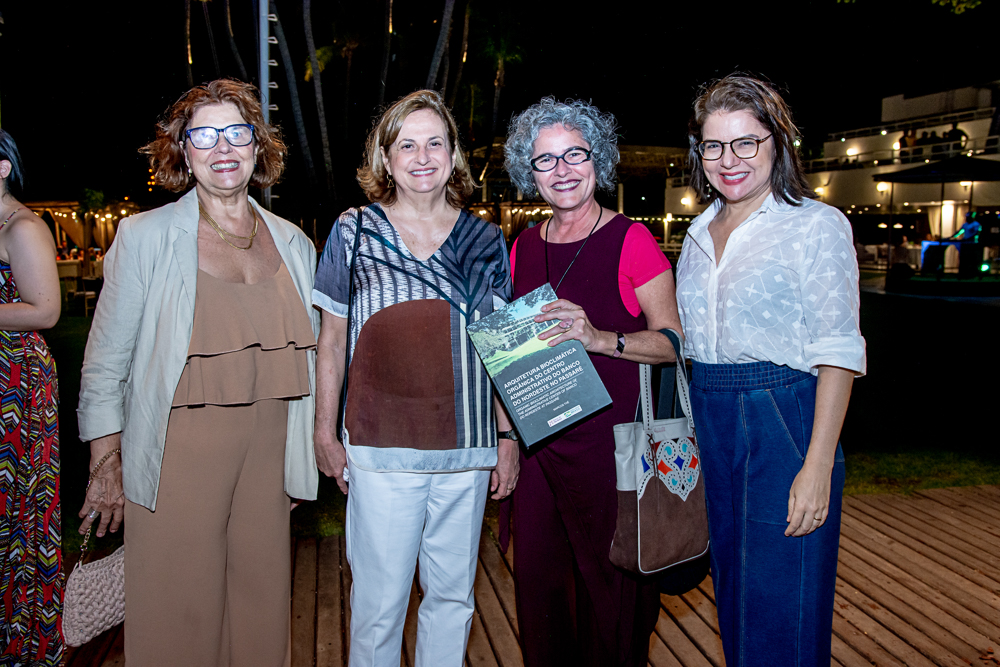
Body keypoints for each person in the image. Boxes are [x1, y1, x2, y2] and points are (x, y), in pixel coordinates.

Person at [76, 79, 319, 667]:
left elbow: (309, 367)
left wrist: (297, 463)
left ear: (257, 146)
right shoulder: (145, 236)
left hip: (266, 463)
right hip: (174, 457)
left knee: (261, 610)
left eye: (236, 132)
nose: (223, 147)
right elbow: (105, 359)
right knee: (177, 615)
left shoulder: (293, 243)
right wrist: (106, 462)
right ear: (184, 152)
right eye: (203, 135)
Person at [312, 89, 516, 667]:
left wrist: (506, 439)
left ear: (454, 157)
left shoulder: (485, 240)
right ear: (386, 158)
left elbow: (502, 347)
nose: (422, 156)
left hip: (468, 448)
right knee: (379, 605)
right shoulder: (353, 232)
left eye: (435, 143)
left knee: (453, 600)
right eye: (407, 144)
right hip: (380, 448)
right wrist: (325, 433)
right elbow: (330, 343)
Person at [677, 74, 866, 667]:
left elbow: (838, 351)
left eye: (746, 143)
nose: (728, 160)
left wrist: (815, 467)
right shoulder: (696, 232)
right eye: (714, 146)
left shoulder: (817, 225)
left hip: (783, 418)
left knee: (785, 599)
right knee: (733, 594)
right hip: (710, 418)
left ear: (777, 143)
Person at [502, 98, 682, 667]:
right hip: (541, 456)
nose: (562, 170)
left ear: (597, 160)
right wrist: (507, 440)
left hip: (615, 459)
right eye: (545, 160)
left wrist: (603, 338)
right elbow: (510, 360)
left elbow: (677, 343)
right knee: (540, 592)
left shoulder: (631, 241)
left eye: (574, 154)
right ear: (527, 174)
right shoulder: (523, 247)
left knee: (613, 599)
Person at [0, 130, 63, 665]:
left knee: (16, 512)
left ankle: (24, 642)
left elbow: (45, 311)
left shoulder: (22, 226)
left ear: (3, 169)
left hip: (16, 388)